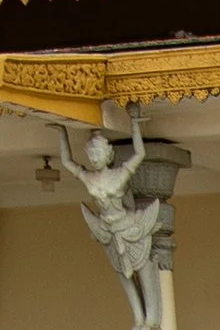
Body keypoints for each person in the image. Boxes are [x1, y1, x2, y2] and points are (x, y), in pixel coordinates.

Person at [58, 119, 165, 324]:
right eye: (91, 154)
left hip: (130, 228)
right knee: (122, 275)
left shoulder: (118, 175)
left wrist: (134, 123)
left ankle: (151, 319)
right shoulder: (89, 177)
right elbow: (66, 162)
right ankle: (137, 318)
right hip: (108, 231)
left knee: (142, 269)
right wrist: (62, 131)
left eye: (98, 154)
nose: (94, 158)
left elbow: (140, 154)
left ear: (108, 155)